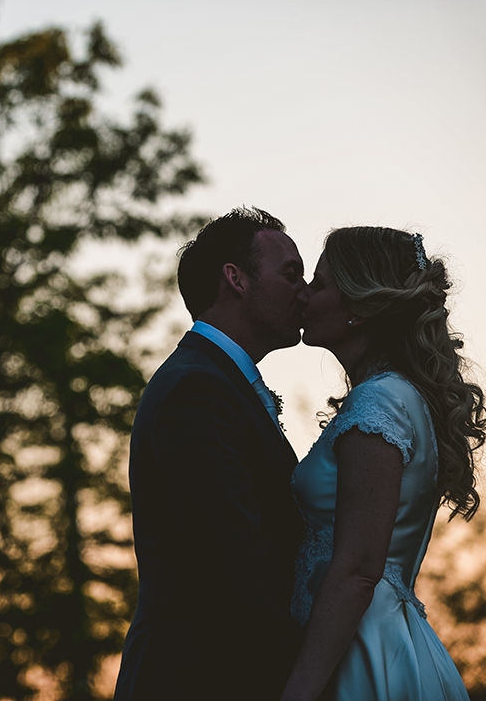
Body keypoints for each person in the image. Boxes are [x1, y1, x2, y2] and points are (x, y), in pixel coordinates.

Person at [281, 227, 486, 701]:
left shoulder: (379, 402)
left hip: (361, 651)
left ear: (357, 306)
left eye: (319, 284)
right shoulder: (395, 396)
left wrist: (297, 692)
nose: (304, 296)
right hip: (372, 637)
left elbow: (357, 568)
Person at [113, 207, 308, 700]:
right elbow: (235, 560)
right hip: (201, 676)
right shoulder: (196, 390)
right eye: (291, 274)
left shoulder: (213, 381)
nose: (303, 291)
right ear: (235, 279)